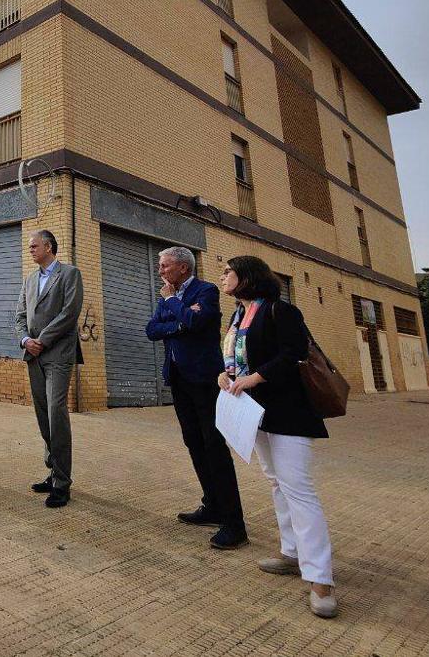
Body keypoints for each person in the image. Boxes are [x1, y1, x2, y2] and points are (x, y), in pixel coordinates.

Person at [218, 255, 337, 618]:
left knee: (297, 488)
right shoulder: (238, 315)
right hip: (254, 413)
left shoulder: (280, 311)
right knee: (275, 482)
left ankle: (321, 579)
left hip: (288, 412)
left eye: (228, 272)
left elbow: (294, 354)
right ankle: (291, 553)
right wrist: (224, 376)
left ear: (246, 277)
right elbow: (234, 358)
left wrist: (254, 378)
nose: (222, 276)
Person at [145, 246, 248, 550]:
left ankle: (234, 523)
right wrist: (180, 319)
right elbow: (152, 329)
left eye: (165, 266)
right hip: (178, 379)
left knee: (213, 446)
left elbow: (197, 324)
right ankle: (212, 505)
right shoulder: (170, 296)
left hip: (205, 379)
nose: (160, 271)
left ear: (183, 268)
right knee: (193, 442)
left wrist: (174, 306)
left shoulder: (206, 291)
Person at [14, 230, 83, 508]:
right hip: (33, 355)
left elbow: (69, 312)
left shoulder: (69, 274)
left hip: (57, 354)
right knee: (43, 414)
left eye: (34, 246)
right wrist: (25, 339)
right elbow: (19, 315)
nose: (30, 250)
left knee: (56, 414)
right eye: (30, 247)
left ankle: (62, 483)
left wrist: (42, 339)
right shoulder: (30, 280)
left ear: (49, 246)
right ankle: (53, 470)